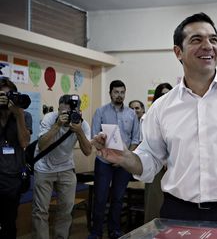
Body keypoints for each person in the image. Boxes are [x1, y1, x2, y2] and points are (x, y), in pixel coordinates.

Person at [92, 12, 217, 224]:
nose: (208, 46)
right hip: (179, 213)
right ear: (178, 52)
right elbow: (151, 159)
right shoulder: (162, 107)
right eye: (197, 40)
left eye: (213, 39)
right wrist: (125, 158)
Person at [31, 94, 92, 239]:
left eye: (71, 113)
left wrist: (79, 131)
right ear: (58, 109)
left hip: (66, 168)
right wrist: (57, 125)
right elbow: (42, 145)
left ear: (78, 111)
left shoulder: (82, 124)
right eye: (64, 113)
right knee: (40, 211)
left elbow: (88, 151)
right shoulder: (50, 118)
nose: (68, 116)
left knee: (66, 210)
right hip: (44, 168)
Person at [89, 80, 140, 239]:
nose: (119, 95)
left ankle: (114, 230)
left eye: (122, 92)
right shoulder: (100, 112)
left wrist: (125, 158)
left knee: (118, 198)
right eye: (116, 92)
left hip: (124, 164)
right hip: (104, 162)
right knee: (101, 198)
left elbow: (135, 139)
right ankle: (96, 232)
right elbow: (94, 137)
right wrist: (108, 155)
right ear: (110, 93)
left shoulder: (131, 114)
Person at [0, 77, 32, 238]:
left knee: (9, 223)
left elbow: (24, 142)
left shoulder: (24, 115)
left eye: (9, 95)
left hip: (13, 180)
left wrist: (18, 114)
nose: (5, 99)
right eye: (2, 95)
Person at [143, 82, 172, 223]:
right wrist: (165, 159)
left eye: (168, 94)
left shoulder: (179, 115)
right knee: (155, 204)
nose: (165, 98)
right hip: (157, 167)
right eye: (161, 95)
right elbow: (150, 144)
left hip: (174, 169)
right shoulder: (150, 115)